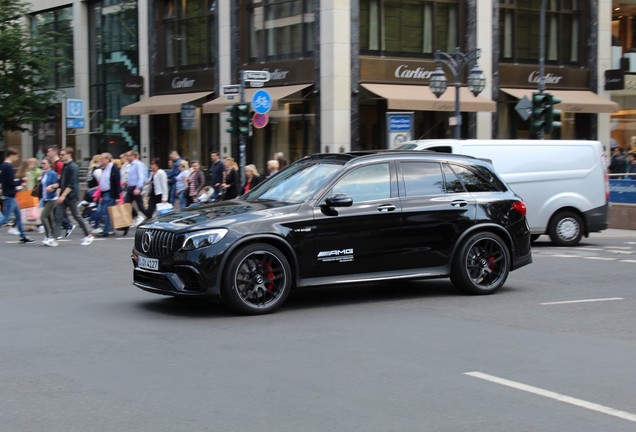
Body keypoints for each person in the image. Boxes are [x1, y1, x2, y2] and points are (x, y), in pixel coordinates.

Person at [53, 147, 94, 246]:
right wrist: (54, 186)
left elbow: (71, 184)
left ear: (69, 154)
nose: (60, 156)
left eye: (63, 154)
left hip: (71, 196)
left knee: (77, 216)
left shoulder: (73, 167)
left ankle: (89, 235)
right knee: (58, 216)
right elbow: (62, 181)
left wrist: (62, 195)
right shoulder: (65, 166)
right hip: (65, 194)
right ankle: (54, 238)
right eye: (60, 155)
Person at [0, 148, 35, 243]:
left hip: (10, 195)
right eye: (16, 156)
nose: (17, 158)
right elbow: (10, 182)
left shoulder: (4, 166)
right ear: (11, 155)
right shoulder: (7, 167)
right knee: (6, 218)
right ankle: (23, 235)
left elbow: (6, 182)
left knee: (18, 216)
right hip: (9, 195)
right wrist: (21, 181)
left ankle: (23, 236)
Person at [47, 145, 74, 236]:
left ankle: (68, 225)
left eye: (49, 151)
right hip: (59, 190)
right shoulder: (58, 164)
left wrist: (59, 191)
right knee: (58, 212)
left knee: (75, 215)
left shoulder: (59, 164)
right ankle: (57, 234)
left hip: (63, 192)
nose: (48, 153)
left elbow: (63, 179)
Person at [95, 152, 122, 238]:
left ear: (107, 159)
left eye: (102, 159)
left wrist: (117, 197)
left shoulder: (113, 168)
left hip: (110, 193)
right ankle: (109, 229)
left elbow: (117, 183)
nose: (101, 160)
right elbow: (103, 182)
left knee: (105, 212)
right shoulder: (105, 168)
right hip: (105, 193)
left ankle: (106, 231)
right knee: (104, 212)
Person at [39, 158, 60, 247]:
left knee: (43, 217)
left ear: (49, 164)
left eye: (44, 163)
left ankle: (48, 236)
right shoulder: (44, 174)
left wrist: (51, 187)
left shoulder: (52, 173)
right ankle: (53, 237)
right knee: (50, 218)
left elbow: (57, 184)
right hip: (45, 198)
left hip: (52, 198)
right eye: (42, 163)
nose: (42, 165)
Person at [124, 150, 148, 226]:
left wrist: (138, 188)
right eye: (127, 156)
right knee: (126, 205)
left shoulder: (138, 164)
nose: (127, 157)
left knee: (140, 206)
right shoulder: (130, 165)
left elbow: (141, 177)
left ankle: (149, 218)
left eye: (128, 156)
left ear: (133, 156)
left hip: (135, 187)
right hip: (130, 188)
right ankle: (135, 217)